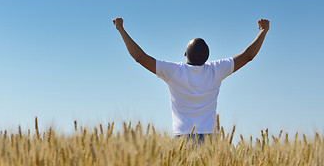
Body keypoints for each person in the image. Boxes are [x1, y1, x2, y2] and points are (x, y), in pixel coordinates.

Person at [113, 17, 270, 142]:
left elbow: (140, 58)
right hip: (210, 138)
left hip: (182, 138)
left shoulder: (173, 71)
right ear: (207, 57)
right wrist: (263, 31)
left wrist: (121, 29)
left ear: (185, 54)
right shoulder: (216, 70)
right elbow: (247, 56)